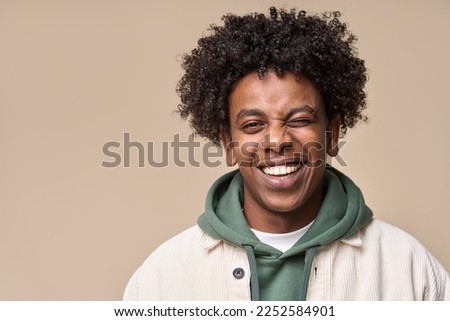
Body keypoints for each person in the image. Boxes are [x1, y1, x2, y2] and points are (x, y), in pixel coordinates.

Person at [123, 7, 450, 300]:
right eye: (252, 124)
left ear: (332, 134)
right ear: (228, 144)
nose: (277, 140)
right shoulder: (161, 279)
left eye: (299, 120)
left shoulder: (410, 269)